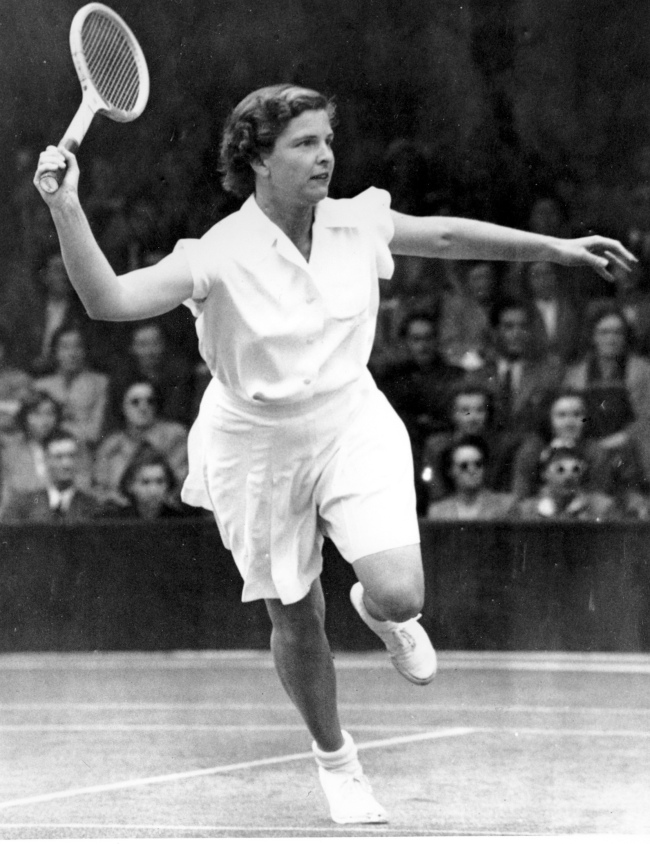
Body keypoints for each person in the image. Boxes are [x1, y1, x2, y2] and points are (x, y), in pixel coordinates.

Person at [34, 83, 636, 825]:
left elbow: (445, 237)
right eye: (304, 144)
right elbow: (110, 302)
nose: (326, 156)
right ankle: (336, 760)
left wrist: (556, 247)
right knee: (295, 617)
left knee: (401, 593)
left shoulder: (354, 220)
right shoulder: (216, 253)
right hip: (254, 444)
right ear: (257, 157)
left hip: (350, 418)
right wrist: (67, 207)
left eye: (327, 140)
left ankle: (381, 613)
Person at [511, 387, 649, 518]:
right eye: (561, 415)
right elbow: (521, 497)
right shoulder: (531, 452)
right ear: (549, 419)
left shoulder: (596, 452)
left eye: (577, 414)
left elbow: (599, 496)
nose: (569, 422)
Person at [563, 303, 650, 482]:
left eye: (617, 333)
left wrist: (611, 443)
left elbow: (645, 420)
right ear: (593, 336)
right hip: (588, 448)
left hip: (630, 446)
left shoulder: (641, 371)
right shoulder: (576, 374)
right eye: (604, 332)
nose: (611, 339)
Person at [93, 379, 188, 507]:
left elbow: (181, 483)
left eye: (150, 401)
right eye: (135, 402)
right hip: (121, 516)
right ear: (122, 407)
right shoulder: (111, 446)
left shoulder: (176, 436)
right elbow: (100, 488)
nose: (143, 408)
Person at [0, 390, 93, 505]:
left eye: (49, 414)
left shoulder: (70, 444)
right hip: (22, 513)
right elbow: (8, 490)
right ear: (24, 416)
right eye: (36, 414)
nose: (44, 421)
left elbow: (83, 482)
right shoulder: (12, 449)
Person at [0, 429, 101, 523]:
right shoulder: (22, 506)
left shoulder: (94, 507)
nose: (66, 464)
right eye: (58, 457)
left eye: (71, 456)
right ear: (45, 460)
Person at [34, 324, 109, 449]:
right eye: (65, 347)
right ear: (55, 352)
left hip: (86, 450)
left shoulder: (100, 383)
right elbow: (37, 432)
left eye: (77, 346)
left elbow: (95, 433)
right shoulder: (41, 386)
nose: (72, 353)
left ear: (85, 350)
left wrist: (57, 426)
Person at [512, 445, 620, 522]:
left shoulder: (602, 508)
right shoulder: (526, 511)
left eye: (575, 469)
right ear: (544, 474)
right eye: (560, 470)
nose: (569, 476)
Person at [426, 434, 515, 521]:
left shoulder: (506, 506)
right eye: (464, 466)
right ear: (451, 471)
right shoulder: (438, 512)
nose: (472, 470)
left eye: (478, 464)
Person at [107, 445, 190, 520]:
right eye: (145, 482)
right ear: (130, 485)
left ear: (168, 484)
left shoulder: (180, 520)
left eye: (160, 482)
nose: (153, 490)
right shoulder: (115, 520)